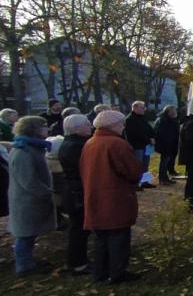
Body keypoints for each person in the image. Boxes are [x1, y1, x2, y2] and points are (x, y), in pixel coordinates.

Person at [81, 110, 144, 283]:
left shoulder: (90, 142)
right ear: (113, 125)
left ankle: (100, 272)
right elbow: (132, 170)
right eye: (121, 124)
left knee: (101, 238)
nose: (123, 127)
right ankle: (118, 273)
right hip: (115, 196)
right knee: (119, 236)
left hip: (95, 195)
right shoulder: (117, 144)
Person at [7, 116, 56, 275]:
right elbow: (28, 180)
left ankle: (27, 261)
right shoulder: (23, 151)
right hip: (27, 200)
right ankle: (24, 265)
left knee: (29, 233)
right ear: (33, 129)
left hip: (32, 199)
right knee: (25, 234)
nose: (47, 130)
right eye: (44, 127)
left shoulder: (32, 147)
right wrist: (46, 193)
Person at [58, 114, 93, 275]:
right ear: (76, 129)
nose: (90, 126)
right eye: (87, 124)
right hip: (77, 192)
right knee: (78, 229)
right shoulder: (75, 146)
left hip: (75, 190)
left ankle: (79, 260)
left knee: (80, 229)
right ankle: (77, 263)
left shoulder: (74, 143)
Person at [124, 101, 155, 189]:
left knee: (145, 164)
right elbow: (135, 134)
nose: (144, 109)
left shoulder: (142, 118)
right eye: (142, 107)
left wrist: (152, 137)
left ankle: (145, 182)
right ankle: (135, 184)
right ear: (135, 107)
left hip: (146, 146)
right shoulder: (130, 119)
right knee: (137, 165)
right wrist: (148, 140)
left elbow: (149, 129)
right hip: (137, 146)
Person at [153, 105, 180, 185]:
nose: (175, 112)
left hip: (170, 144)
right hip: (165, 145)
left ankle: (165, 177)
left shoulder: (170, 120)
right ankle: (162, 179)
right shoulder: (163, 120)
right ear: (169, 112)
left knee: (166, 161)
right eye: (174, 111)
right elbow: (162, 134)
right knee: (164, 162)